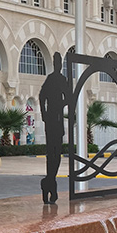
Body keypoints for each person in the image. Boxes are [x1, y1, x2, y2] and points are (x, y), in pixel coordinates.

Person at [39, 52, 69, 204]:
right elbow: (41, 96)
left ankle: (49, 182)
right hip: (53, 119)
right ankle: (50, 183)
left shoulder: (57, 79)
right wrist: (45, 113)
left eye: (59, 62)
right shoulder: (55, 79)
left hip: (54, 118)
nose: (59, 65)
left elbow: (68, 98)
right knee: (53, 153)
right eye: (57, 62)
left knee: (55, 154)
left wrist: (53, 109)